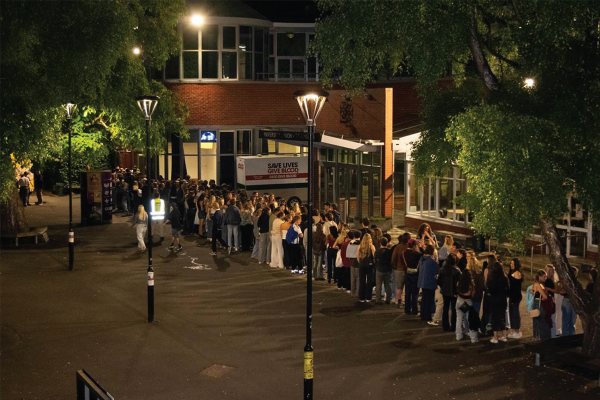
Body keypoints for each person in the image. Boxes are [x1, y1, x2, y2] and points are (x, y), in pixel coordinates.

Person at [487, 262, 509, 344]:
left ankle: (495, 337)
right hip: (503, 299)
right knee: (502, 317)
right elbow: (507, 289)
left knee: (494, 318)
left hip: (494, 299)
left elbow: (489, 289)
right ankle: (504, 335)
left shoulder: (491, 278)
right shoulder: (504, 278)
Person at [438, 254, 461, 332]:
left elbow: (439, 281)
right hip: (454, 292)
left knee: (445, 308)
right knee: (454, 309)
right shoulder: (457, 270)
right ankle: (453, 326)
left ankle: (445, 325)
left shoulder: (442, 269)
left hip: (445, 291)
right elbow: (459, 282)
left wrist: (443, 286)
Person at [417, 245, 439, 324]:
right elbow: (436, 270)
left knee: (424, 299)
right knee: (429, 299)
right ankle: (428, 315)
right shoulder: (431, 260)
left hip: (422, 281)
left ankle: (423, 314)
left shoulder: (422, 259)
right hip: (430, 281)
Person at [455, 269, 479, 343]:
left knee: (459, 319)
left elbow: (457, 292)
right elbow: (472, 294)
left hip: (459, 301)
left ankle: (458, 335)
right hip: (468, 302)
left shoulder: (459, 283)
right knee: (470, 319)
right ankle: (473, 337)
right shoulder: (471, 285)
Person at [530, 269, 554, 341]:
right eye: (544, 277)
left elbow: (536, 295)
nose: (545, 278)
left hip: (537, 303)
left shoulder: (537, 284)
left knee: (537, 322)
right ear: (539, 277)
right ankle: (543, 338)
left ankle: (537, 337)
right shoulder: (538, 285)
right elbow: (545, 296)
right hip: (539, 305)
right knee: (542, 322)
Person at [556, 266, 579, 336]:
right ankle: (565, 337)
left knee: (572, 321)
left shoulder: (575, 282)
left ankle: (571, 336)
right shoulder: (565, 281)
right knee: (566, 320)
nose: (574, 274)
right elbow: (560, 291)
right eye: (573, 273)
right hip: (567, 300)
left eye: (575, 273)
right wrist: (569, 291)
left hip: (574, 301)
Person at [391, 233, 411, 308]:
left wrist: (396, 266)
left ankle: (399, 302)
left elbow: (394, 258)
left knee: (399, 286)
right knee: (408, 287)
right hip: (409, 270)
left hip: (399, 269)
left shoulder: (398, 247)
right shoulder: (410, 247)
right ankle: (407, 301)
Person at [403, 239, 422, 315]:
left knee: (407, 292)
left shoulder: (404, 253)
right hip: (415, 274)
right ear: (414, 245)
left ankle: (407, 309)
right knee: (414, 293)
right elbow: (423, 253)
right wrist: (419, 246)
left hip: (407, 273)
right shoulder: (416, 254)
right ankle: (414, 310)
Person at [357, 233, 376, 302]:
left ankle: (361, 297)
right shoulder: (372, 246)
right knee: (369, 281)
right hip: (369, 264)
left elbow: (358, 257)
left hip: (362, 264)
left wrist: (360, 262)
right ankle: (368, 297)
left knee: (362, 280)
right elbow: (374, 256)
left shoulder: (360, 246)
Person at [507, 258, 524, 339]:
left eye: (513, 264)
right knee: (512, 313)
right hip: (512, 296)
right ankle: (514, 330)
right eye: (511, 263)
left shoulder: (517, 273)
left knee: (515, 313)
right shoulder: (512, 272)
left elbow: (515, 286)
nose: (512, 265)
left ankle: (517, 330)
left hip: (515, 296)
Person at [374, 237, 393, 304]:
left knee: (378, 285)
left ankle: (378, 299)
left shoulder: (377, 251)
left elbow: (375, 260)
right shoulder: (389, 252)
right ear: (387, 243)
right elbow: (391, 261)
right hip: (387, 269)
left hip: (379, 269)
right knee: (388, 285)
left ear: (380, 243)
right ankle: (388, 299)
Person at [346, 231, 361, 297]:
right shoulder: (360, 244)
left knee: (352, 278)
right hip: (357, 261)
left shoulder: (350, 243)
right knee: (358, 278)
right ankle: (357, 292)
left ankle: (352, 292)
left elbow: (347, 253)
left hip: (351, 261)